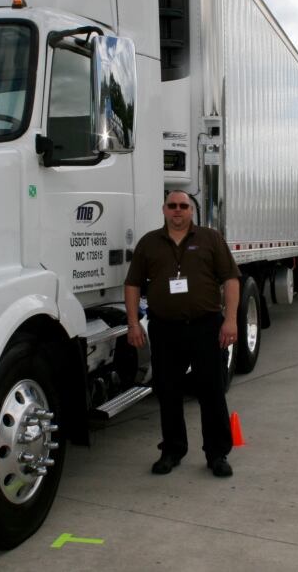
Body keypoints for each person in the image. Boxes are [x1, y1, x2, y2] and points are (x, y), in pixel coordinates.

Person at [124, 190, 240, 477]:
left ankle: (217, 454)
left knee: (211, 391)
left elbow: (230, 279)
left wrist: (231, 320)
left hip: (206, 326)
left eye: (183, 206)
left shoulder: (210, 239)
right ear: (164, 209)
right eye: (172, 206)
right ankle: (172, 451)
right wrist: (133, 322)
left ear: (192, 210)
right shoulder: (149, 243)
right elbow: (133, 284)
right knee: (168, 391)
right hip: (165, 328)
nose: (178, 210)